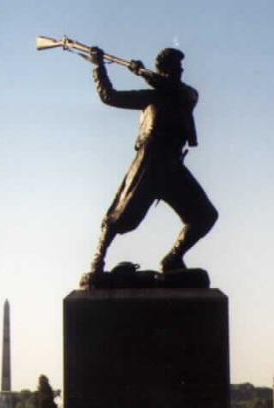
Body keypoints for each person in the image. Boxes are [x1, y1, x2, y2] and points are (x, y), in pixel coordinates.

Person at [88, 46, 218, 274]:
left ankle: (172, 259)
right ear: (166, 69)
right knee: (120, 217)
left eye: (180, 67)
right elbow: (110, 97)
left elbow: (173, 88)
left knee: (204, 216)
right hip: (149, 163)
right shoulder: (150, 97)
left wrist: (140, 71)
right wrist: (99, 67)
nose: (181, 70)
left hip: (173, 166)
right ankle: (98, 262)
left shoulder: (186, 94)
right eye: (176, 67)